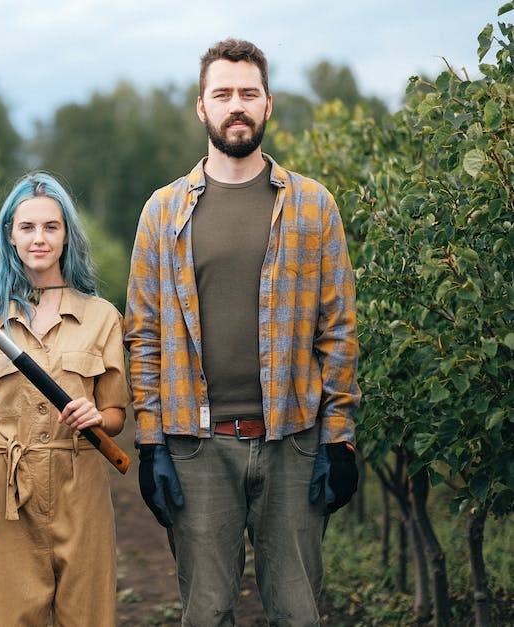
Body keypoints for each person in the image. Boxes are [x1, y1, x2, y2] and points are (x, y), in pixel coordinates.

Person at [125, 38, 361, 626]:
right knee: (206, 614)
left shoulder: (313, 206)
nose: (237, 105)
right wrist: (151, 441)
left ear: (268, 105)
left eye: (248, 93)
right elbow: (145, 332)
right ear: (201, 107)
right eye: (223, 93)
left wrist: (341, 437)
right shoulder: (162, 211)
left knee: (298, 613)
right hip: (197, 447)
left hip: (294, 443)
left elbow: (338, 330)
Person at [0, 172, 131, 626]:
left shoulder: (101, 317)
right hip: (6, 487)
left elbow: (117, 417)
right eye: (27, 227)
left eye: (51, 227)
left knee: (87, 616)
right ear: (10, 235)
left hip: (78, 482)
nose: (39, 238)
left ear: (67, 236)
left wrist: (96, 416)